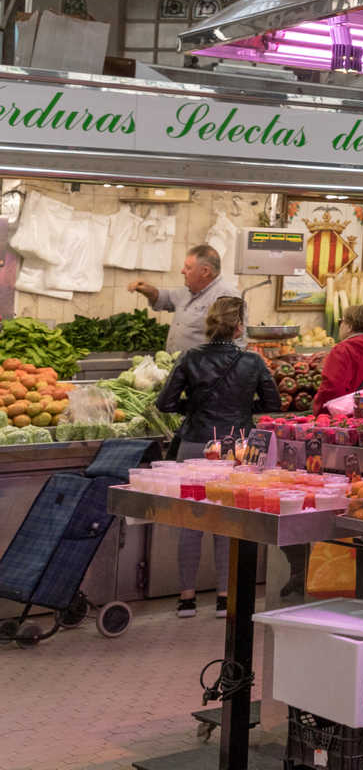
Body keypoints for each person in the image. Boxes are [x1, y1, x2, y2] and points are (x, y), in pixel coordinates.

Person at [155, 296, 281, 619]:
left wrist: (194, 408)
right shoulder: (252, 361)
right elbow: (272, 402)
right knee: (229, 519)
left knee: (191, 520)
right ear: (239, 326)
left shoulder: (189, 357)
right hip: (238, 447)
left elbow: (165, 403)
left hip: (195, 443)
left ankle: (187, 598)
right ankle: (226, 596)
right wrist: (239, 411)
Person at [129, 243, 242, 354]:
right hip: (179, 367)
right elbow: (166, 299)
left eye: (188, 268)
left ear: (205, 271)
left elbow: (238, 339)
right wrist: (149, 290)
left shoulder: (227, 294)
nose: (182, 271)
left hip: (204, 370)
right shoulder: (187, 290)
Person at [313, 305, 363, 412]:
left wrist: (319, 411)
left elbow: (332, 389)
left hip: (352, 416)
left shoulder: (342, 350)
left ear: (349, 326)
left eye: (341, 321)